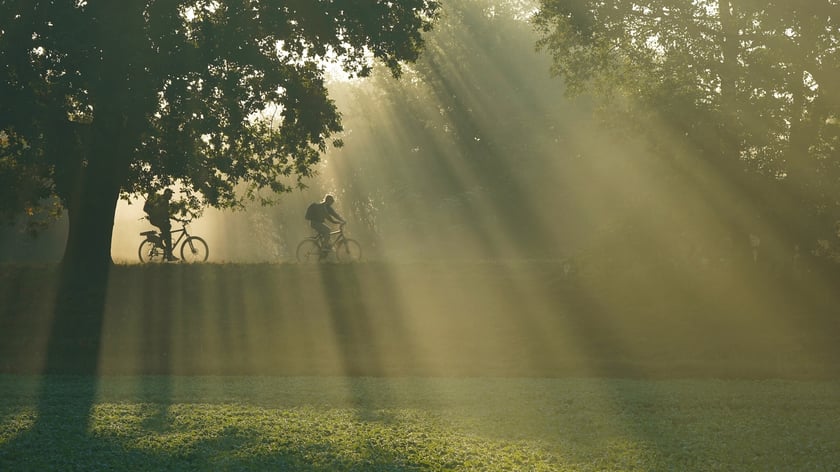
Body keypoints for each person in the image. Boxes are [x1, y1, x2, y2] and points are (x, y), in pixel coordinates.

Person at [144, 188, 178, 261]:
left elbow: (165, 213)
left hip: (156, 220)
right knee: (168, 235)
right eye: (170, 194)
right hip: (157, 220)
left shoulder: (163, 200)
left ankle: (165, 248)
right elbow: (163, 213)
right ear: (166, 193)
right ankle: (169, 256)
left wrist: (175, 219)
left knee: (166, 232)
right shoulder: (163, 201)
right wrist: (167, 220)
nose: (171, 196)